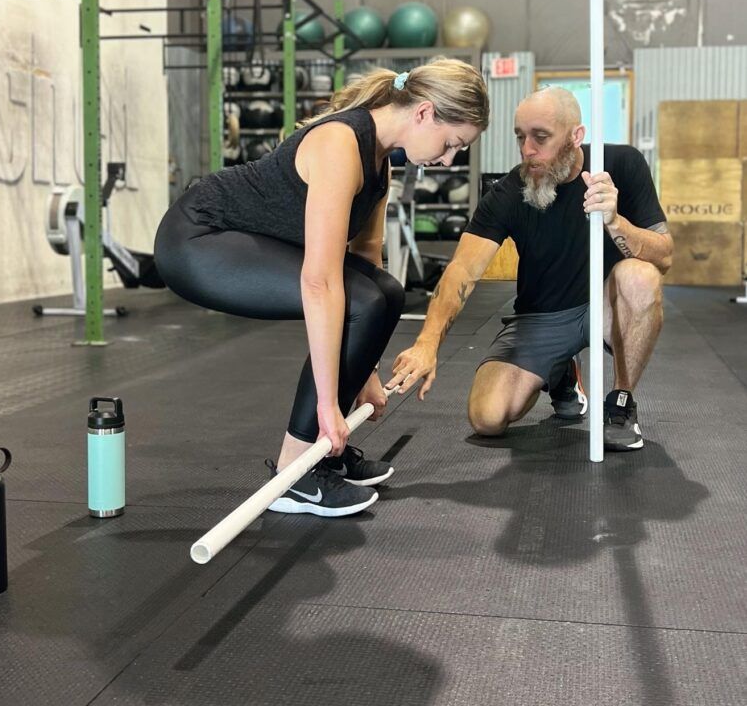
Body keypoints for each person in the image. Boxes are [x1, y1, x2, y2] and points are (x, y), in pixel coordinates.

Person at [155, 58, 490, 516]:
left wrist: (365, 373)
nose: (447, 159)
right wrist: (329, 404)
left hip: (238, 236)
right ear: (424, 112)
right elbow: (321, 281)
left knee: (386, 292)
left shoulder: (380, 163)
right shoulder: (339, 144)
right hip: (198, 239)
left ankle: (323, 454)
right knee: (363, 298)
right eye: (452, 144)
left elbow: (368, 263)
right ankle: (295, 472)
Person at [388, 86, 672, 451]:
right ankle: (561, 371)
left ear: (576, 137)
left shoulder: (622, 165)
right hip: (542, 317)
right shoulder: (509, 192)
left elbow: (663, 257)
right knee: (487, 419)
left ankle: (620, 402)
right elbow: (462, 270)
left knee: (639, 276)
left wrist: (616, 222)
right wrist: (427, 344)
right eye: (520, 137)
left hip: (605, 306)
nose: (527, 150)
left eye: (541, 137)